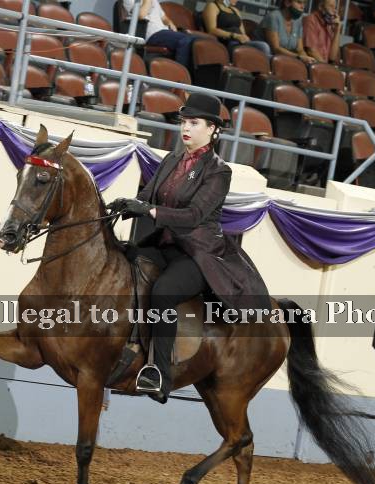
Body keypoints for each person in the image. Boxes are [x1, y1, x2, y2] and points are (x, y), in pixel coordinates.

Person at [106, 94, 266, 404]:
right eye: (183, 122)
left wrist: (149, 211)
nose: (186, 128)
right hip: (164, 245)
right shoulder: (171, 160)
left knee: (164, 292)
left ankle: (159, 373)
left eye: (194, 123)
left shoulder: (219, 171)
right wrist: (127, 204)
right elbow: (148, 196)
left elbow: (194, 215)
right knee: (120, 262)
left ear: (212, 129)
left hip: (198, 254)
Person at [122, 0, 199, 70]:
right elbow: (141, 15)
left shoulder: (154, 1)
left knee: (196, 40)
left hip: (164, 32)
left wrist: (170, 22)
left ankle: (191, 75)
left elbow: (164, 18)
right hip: (150, 34)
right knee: (185, 40)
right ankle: (180, 74)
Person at [202, 0, 271, 57]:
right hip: (227, 42)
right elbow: (212, 30)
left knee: (266, 52)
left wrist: (244, 37)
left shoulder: (235, 10)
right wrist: (234, 36)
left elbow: (243, 33)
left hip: (240, 42)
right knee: (263, 46)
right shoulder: (212, 6)